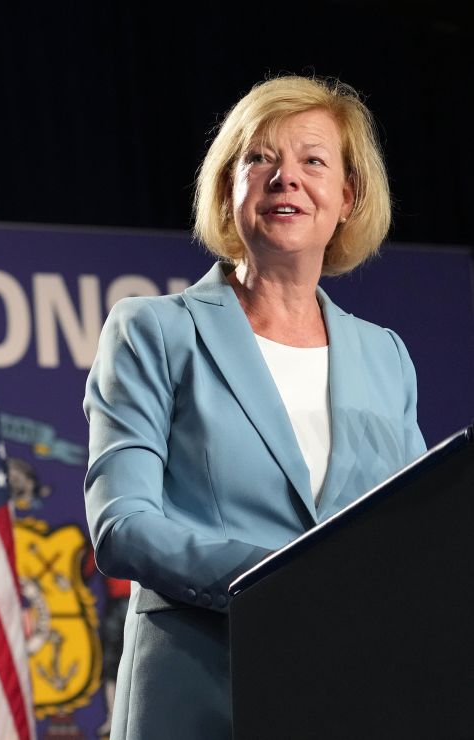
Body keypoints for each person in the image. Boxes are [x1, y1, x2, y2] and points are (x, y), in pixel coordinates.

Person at [83, 75, 426, 740]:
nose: (285, 178)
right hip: (202, 699)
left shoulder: (385, 355)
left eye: (313, 161)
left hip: (354, 700)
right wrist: (285, 582)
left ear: (347, 198)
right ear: (228, 188)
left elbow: (412, 544)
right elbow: (122, 526)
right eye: (259, 158)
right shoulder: (155, 331)